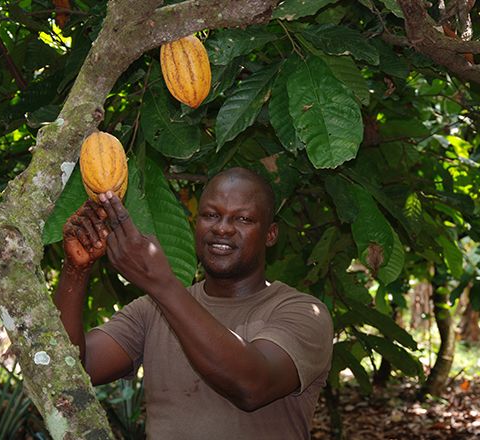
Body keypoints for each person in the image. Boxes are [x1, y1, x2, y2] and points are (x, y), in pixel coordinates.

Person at [54, 167, 333, 439]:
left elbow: (252, 386)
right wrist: (75, 271)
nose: (223, 228)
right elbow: (71, 369)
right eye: (211, 215)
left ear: (271, 234)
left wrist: (161, 284)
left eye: (243, 219)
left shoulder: (303, 313)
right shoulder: (151, 311)